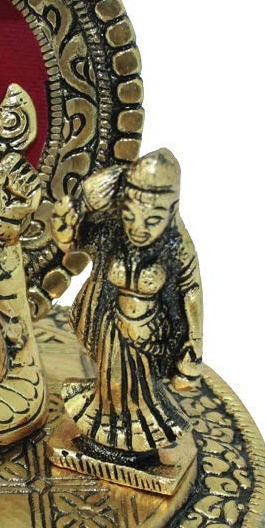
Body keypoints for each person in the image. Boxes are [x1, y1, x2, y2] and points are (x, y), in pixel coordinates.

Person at [52, 149, 203, 465]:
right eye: (131, 216)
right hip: (110, 330)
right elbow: (73, 244)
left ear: (171, 210)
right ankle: (107, 439)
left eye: (153, 219)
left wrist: (193, 350)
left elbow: (191, 293)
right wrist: (71, 215)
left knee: (137, 393)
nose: (139, 228)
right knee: (110, 386)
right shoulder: (114, 231)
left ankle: (136, 445)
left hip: (149, 337)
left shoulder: (176, 245)